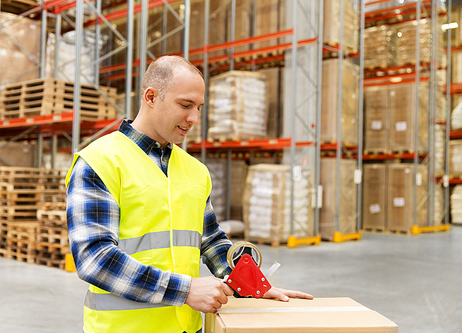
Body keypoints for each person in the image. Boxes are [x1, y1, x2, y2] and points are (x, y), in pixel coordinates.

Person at [65, 55, 312, 333]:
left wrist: (253, 285)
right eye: (185, 105)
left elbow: (211, 240)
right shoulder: (99, 162)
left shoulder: (195, 170)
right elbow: (94, 259)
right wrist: (185, 290)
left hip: (187, 328)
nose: (194, 118)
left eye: (198, 107)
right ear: (150, 97)